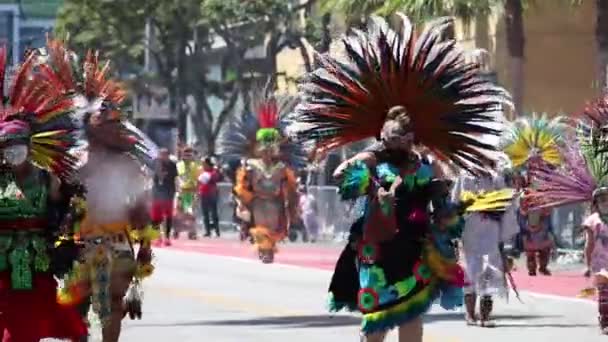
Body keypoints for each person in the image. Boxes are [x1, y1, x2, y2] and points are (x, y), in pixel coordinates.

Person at [287, 14, 509, 342]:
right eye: (394, 136)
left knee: (411, 318)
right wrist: (354, 173)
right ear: (384, 135)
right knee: (376, 324)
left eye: (406, 136)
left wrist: (451, 214)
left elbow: (444, 203)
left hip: (415, 251)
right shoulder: (372, 159)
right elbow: (345, 176)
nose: (401, 141)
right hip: (378, 250)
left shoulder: (427, 165)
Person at [37, 41, 156, 342]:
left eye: (114, 120)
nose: (109, 123)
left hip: (118, 244)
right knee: (75, 309)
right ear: (88, 123)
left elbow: (141, 207)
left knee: (114, 306)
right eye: (102, 118)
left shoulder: (129, 164)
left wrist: (145, 245)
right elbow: (54, 200)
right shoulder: (71, 161)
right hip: (78, 243)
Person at [0, 46, 87, 341]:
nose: (13, 152)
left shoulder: (48, 178)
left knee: (33, 322)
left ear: (29, 145)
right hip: (1, 261)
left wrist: (67, 246)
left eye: (18, 145)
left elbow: (65, 216)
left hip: (37, 261)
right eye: (7, 146)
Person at [218, 86, 303, 263]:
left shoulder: (282, 167)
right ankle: (263, 249)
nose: (267, 151)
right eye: (264, 148)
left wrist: (292, 200)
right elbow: (241, 187)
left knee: (273, 229)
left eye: (271, 148)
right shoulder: (250, 165)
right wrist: (242, 198)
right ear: (258, 148)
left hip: (275, 202)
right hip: (257, 202)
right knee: (259, 227)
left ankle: (268, 249)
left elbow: (290, 187)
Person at [452, 169, 518, 327]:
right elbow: (455, 202)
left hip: (490, 227)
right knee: (469, 269)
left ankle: (485, 316)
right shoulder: (464, 176)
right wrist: (455, 227)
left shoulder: (496, 177)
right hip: (469, 227)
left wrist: (505, 235)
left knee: (490, 269)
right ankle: (469, 314)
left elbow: (506, 205)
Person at [152, 148, 178, 246]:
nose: (162, 157)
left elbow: (175, 178)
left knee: (168, 215)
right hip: (157, 192)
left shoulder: (172, 164)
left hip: (168, 192)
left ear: (168, 155)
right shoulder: (156, 163)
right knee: (156, 216)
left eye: (165, 155)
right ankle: (157, 237)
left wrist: (176, 190)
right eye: (161, 154)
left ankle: (167, 237)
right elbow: (153, 175)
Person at [176, 146, 201, 239]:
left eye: (189, 155)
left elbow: (199, 180)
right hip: (181, 191)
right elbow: (176, 179)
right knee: (179, 213)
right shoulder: (178, 165)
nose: (187, 157)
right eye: (185, 155)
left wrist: (197, 192)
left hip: (191, 192)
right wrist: (177, 191)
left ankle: (192, 232)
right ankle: (177, 230)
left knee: (191, 213)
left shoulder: (196, 166)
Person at [198, 156, 222, 237]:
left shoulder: (213, 172)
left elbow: (211, 179)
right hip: (203, 194)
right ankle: (207, 231)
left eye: (204, 164)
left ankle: (217, 230)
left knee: (213, 213)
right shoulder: (202, 172)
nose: (203, 165)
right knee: (205, 214)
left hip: (211, 194)